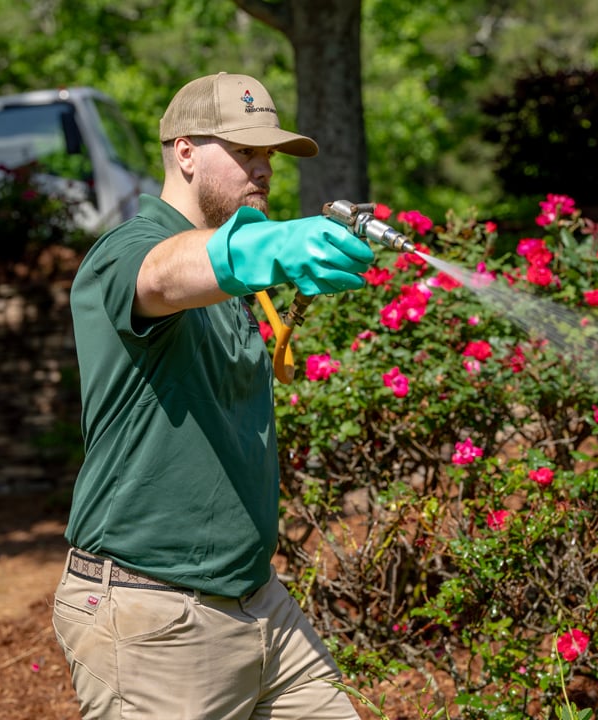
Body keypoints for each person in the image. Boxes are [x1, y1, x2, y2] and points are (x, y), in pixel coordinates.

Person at [51, 72, 374, 719]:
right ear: (186, 152)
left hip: (258, 602)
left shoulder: (232, 285)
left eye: (269, 155)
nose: (264, 168)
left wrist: (252, 259)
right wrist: (262, 249)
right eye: (246, 151)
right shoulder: (127, 252)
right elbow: (167, 274)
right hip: (154, 613)